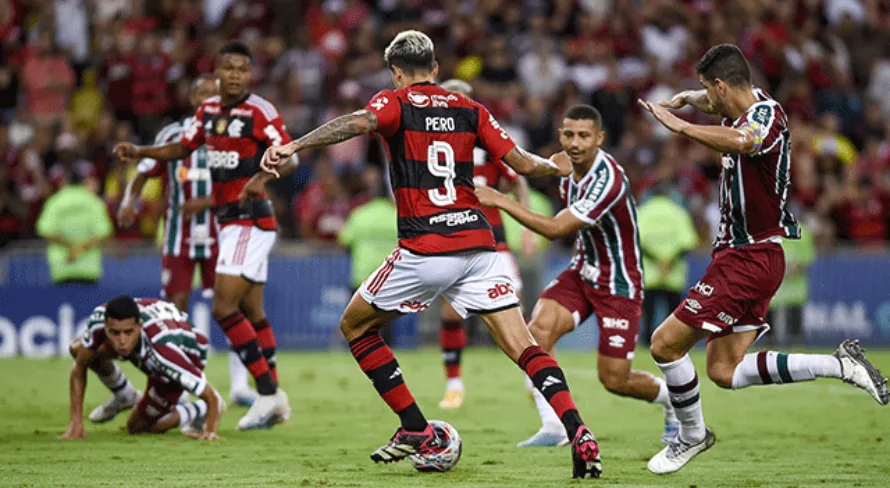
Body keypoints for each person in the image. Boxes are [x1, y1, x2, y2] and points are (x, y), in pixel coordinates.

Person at [260, 30, 602, 479]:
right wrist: (550, 164)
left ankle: (416, 428)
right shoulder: (470, 108)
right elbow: (521, 162)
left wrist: (295, 145)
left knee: (355, 326)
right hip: (480, 246)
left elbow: (356, 123)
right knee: (525, 346)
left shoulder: (394, 102)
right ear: (436, 69)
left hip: (425, 247)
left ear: (396, 73)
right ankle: (577, 430)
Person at [638, 43, 889, 475]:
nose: (705, 99)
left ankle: (691, 435)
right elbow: (720, 104)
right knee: (722, 369)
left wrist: (680, 124)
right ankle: (839, 364)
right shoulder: (743, 105)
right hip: (748, 256)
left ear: (722, 85)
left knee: (663, 343)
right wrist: (690, 97)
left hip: (748, 257)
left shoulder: (763, 119)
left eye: (707, 90)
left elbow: (743, 140)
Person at [113, 41, 296, 430]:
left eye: (242, 69)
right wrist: (140, 150)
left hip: (251, 219)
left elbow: (291, 156)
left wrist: (259, 179)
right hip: (229, 222)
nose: (235, 75)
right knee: (251, 311)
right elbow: (182, 147)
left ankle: (266, 394)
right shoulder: (208, 111)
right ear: (217, 72)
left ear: (250, 74)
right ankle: (274, 399)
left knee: (222, 308)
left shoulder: (260, 111)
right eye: (228, 68)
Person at [475, 105, 677, 448]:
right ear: (560, 136)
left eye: (584, 135)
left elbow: (555, 229)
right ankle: (553, 427)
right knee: (537, 333)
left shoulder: (607, 179)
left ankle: (673, 399)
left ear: (600, 138)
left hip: (619, 283)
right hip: (582, 272)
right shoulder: (568, 168)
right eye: (568, 134)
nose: (575, 142)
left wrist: (501, 201)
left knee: (614, 379)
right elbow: (535, 163)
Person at [117, 74, 256, 408]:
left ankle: (239, 385)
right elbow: (144, 171)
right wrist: (127, 201)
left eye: (211, 92)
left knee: (231, 308)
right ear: (193, 99)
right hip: (179, 237)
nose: (205, 97)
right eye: (200, 91)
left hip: (221, 235)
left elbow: (246, 184)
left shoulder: (233, 132)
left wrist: (206, 202)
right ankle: (175, 389)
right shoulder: (173, 135)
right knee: (172, 312)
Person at [435, 78, 536, 410]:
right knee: (451, 312)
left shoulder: (489, 144)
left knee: (515, 308)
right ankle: (454, 385)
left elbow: (517, 183)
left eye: (462, 99)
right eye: (451, 98)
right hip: (451, 236)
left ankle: (532, 379)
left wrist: (527, 226)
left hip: (493, 237)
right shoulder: (433, 145)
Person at [59, 296, 225, 440]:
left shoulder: (164, 351)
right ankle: (124, 394)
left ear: (139, 326)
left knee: (137, 427)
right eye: (114, 333)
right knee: (80, 350)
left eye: (128, 332)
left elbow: (210, 396)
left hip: (188, 352)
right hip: (150, 342)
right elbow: (79, 367)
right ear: (105, 326)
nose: (121, 340)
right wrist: (76, 424)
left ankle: (196, 409)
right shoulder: (98, 320)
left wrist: (210, 431)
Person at [637, 182, 699, 346]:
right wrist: (669, 261)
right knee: (674, 314)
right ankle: (675, 342)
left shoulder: (643, 212)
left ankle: (646, 342)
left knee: (648, 314)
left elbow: (636, 241)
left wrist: (658, 261)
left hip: (650, 272)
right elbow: (688, 242)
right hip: (673, 272)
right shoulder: (679, 213)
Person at [36, 169, 113, 286]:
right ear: (83, 182)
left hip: (62, 266)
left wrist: (71, 248)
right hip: (88, 268)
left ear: (65, 182)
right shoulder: (93, 201)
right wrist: (79, 248)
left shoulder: (55, 201)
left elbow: (46, 231)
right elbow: (102, 232)